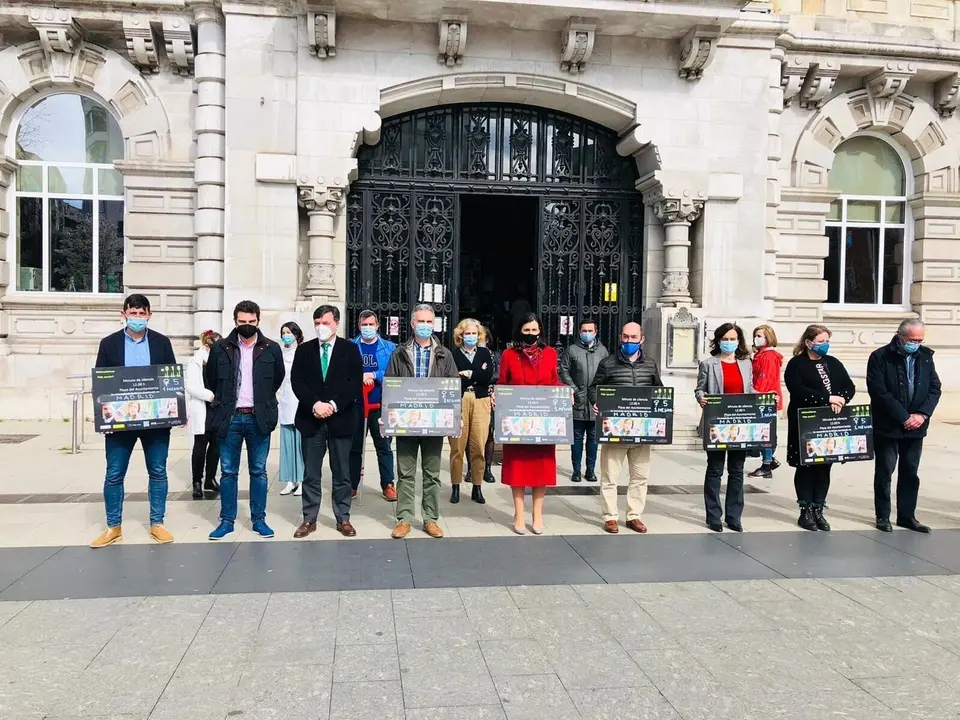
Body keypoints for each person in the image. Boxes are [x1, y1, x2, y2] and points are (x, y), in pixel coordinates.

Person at [90, 294, 178, 548]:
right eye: (133, 313)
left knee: (158, 471)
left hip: (155, 421)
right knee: (114, 473)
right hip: (120, 422)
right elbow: (101, 382)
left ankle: (157, 523)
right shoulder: (109, 344)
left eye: (141, 314)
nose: (137, 318)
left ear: (149, 315)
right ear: (124, 314)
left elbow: (170, 379)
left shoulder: (162, 343)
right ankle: (113, 526)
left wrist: (177, 410)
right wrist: (102, 416)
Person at [205, 300, 285, 540]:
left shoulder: (271, 348)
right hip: (229, 417)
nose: (247, 325)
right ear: (235, 321)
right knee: (228, 471)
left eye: (251, 321)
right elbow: (211, 379)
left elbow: (277, 378)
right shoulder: (220, 347)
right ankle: (226, 520)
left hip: (258, 417)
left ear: (258, 320)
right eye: (242, 321)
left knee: (258, 471)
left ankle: (259, 519)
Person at [385, 304, 459, 539]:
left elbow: (452, 387)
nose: (425, 326)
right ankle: (405, 518)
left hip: (434, 423)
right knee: (405, 473)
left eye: (429, 322)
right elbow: (390, 386)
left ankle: (430, 519)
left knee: (432, 473)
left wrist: (454, 419)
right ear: (412, 324)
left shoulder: (444, 354)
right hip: (406, 422)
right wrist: (386, 419)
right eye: (421, 321)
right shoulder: (399, 353)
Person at [289, 305, 363, 538]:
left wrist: (332, 404)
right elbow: (297, 381)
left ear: (336, 324)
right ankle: (309, 518)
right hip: (311, 420)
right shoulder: (304, 350)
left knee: (341, 473)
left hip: (341, 419)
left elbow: (354, 383)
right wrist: (315, 404)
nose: (321, 327)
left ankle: (343, 518)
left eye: (326, 323)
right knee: (311, 473)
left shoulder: (350, 349)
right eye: (317, 323)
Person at [867, 319, 942, 533]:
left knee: (910, 472)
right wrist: (903, 417)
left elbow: (934, 388)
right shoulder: (880, 356)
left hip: (917, 426)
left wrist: (922, 414)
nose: (916, 344)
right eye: (912, 340)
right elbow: (878, 391)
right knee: (885, 471)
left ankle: (907, 516)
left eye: (920, 340)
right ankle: (883, 516)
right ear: (900, 336)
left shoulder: (925, 356)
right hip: (888, 425)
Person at [589, 321, 662, 534]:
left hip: (642, 432)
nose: (629, 341)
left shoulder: (650, 364)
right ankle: (610, 517)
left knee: (640, 477)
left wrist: (665, 408)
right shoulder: (607, 363)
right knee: (609, 477)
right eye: (626, 337)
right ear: (621, 337)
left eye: (633, 337)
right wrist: (596, 402)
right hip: (615, 431)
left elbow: (659, 389)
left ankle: (634, 515)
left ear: (642, 339)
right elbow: (594, 388)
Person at [784, 324, 855, 532]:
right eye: (821, 341)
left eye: (827, 341)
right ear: (808, 343)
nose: (825, 345)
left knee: (824, 466)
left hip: (829, 422)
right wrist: (826, 398)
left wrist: (841, 399)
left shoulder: (832, 363)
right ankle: (805, 509)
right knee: (806, 466)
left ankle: (818, 508)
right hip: (806, 421)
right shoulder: (797, 364)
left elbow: (849, 386)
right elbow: (797, 388)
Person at [497, 312, 563, 535]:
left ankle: (537, 515)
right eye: (527, 330)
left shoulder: (550, 353)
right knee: (517, 468)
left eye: (534, 330)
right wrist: (497, 395)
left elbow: (554, 382)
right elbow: (503, 383)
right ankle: (518, 515)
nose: (531, 334)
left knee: (541, 468)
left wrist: (566, 393)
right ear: (520, 331)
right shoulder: (509, 355)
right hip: (517, 421)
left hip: (543, 422)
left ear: (540, 331)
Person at [695, 323, 754, 533]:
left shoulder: (746, 364)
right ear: (719, 341)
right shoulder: (708, 364)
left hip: (740, 425)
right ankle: (713, 516)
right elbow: (700, 389)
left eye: (733, 339)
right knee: (715, 470)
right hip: (717, 424)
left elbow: (750, 390)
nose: (729, 342)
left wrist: (765, 398)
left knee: (737, 471)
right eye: (725, 339)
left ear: (739, 341)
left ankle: (734, 516)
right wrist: (701, 398)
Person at [350, 311, 398, 501]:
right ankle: (352, 484)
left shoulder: (389, 348)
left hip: (380, 405)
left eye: (371, 324)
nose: (368, 328)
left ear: (377, 326)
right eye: (364, 325)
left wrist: (374, 375)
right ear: (359, 326)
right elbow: (344, 372)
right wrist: (359, 377)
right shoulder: (350, 347)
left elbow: (394, 373)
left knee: (384, 446)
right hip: (356, 405)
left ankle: (388, 484)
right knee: (354, 447)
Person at [449, 318, 495, 504]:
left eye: (474, 333)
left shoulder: (484, 353)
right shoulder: (453, 354)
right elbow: (453, 378)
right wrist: (477, 374)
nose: (471, 336)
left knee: (478, 445)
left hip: (481, 400)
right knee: (457, 447)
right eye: (467, 333)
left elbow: (488, 376)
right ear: (461, 335)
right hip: (460, 399)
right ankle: (455, 486)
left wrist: (468, 374)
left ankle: (477, 486)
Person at [559, 318, 608, 482]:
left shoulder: (602, 351)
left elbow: (608, 373)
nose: (587, 333)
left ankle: (591, 470)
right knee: (577, 439)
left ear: (595, 332)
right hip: (578, 401)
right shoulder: (572, 350)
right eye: (584, 331)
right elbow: (564, 370)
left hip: (595, 403)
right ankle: (576, 470)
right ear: (579, 332)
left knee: (593, 440)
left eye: (590, 331)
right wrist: (573, 389)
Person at [184, 330, 221, 500]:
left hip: (217, 408)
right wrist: (209, 396)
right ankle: (197, 481)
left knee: (216, 445)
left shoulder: (221, 359)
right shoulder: (196, 361)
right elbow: (190, 386)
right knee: (200, 445)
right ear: (207, 345)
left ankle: (210, 478)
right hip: (203, 406)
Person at [747, 324, 783, 479]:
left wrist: (755, 395)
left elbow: (765, 378)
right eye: (755, 335)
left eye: (760, 336)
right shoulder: (761, 355)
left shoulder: (768, 356)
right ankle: (769, 460)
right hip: (764, 397)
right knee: (762, 431)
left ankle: (767, 464)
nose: (757, 338)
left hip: (765, 398)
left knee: (764, 432)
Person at [278, 321, 305, 496]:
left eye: (289, 332)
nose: (286, 335)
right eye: (283, 332)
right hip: (285, 400)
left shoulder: (303, 353)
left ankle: (302, 478)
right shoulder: (279, 354)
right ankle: (290, 479)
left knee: (300, 442)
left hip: (299, 400)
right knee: (287, 442)